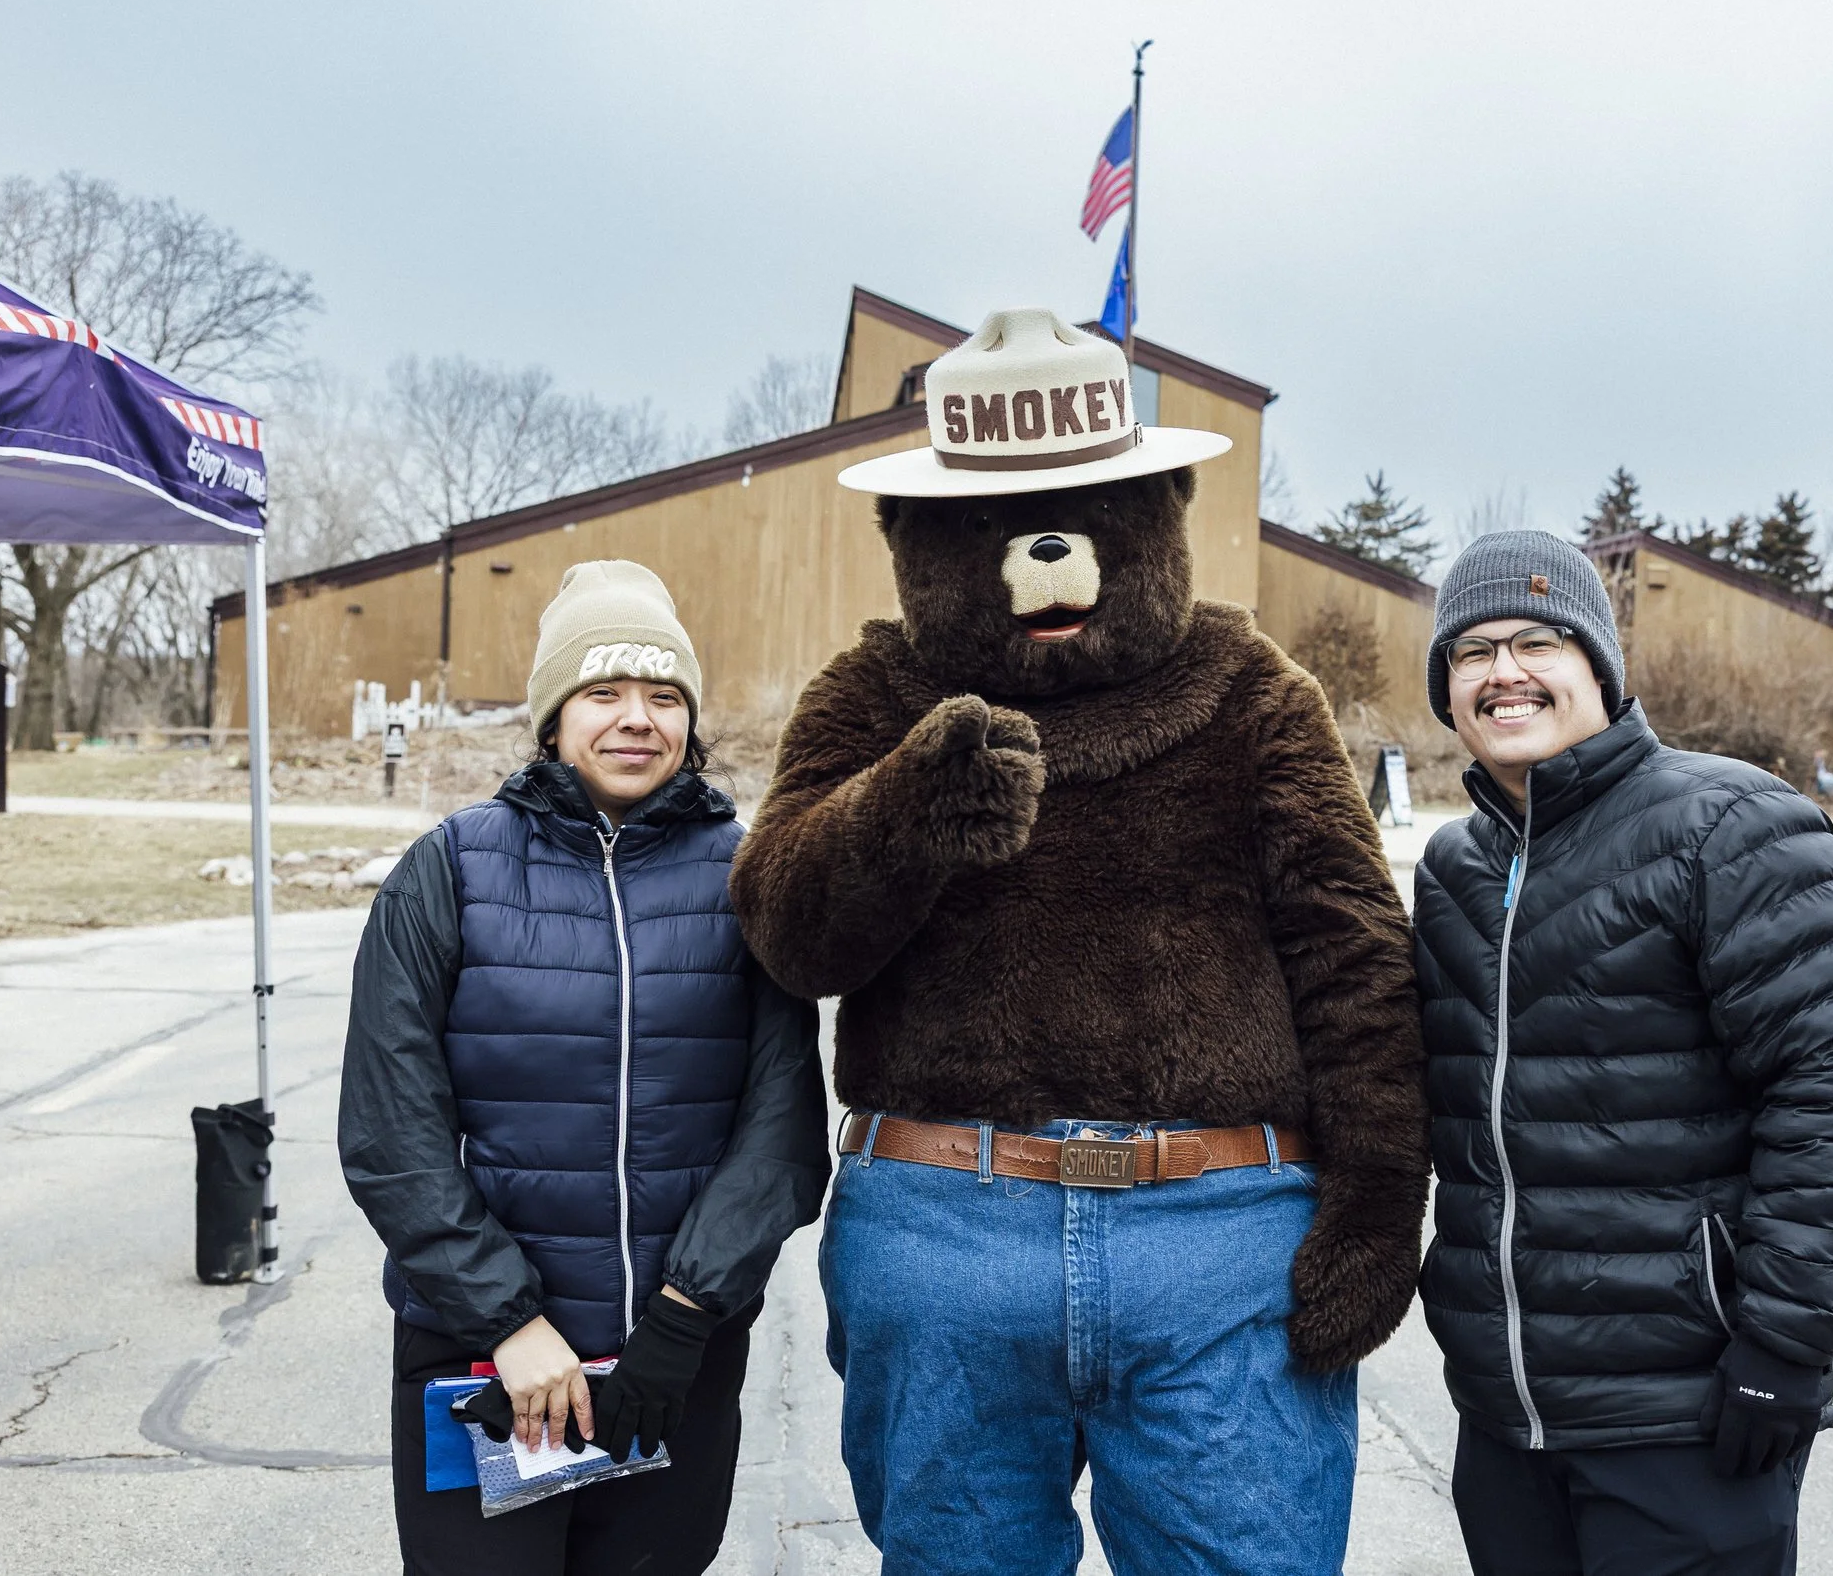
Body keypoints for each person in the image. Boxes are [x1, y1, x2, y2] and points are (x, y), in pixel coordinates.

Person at [731, 308, 1428, 1576]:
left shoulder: (1250, 688)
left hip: (1221, 1240)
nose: (1040, 554)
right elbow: (786, 931)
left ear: (1159, 510)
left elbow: (1353, 953)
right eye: (992, 523)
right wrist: (904, 811)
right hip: (945, 1235)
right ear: (915, 538)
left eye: (1090, 511)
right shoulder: (872, 696)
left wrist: (1377, 1202)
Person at [1413, 532, 1833, 1575]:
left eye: (1536, 640)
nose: (1503, 671)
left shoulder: (1730, 823)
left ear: (1596, 663)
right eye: (1470, 651)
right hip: (1506, 1421)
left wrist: (1783, 1347)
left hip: (1682, 1417)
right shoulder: (1455, 865)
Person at [340, 559, 829, 1576]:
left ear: (691, 723)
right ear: (554, 716)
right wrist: (509, 1321)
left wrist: (686, 1318)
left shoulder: (751, 876)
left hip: (671, 1361)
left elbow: (780, 1132)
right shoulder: (450, 869)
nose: (634, 719)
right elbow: (393, 1130)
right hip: (484, 1355)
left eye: (663, 696)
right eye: (602, 692)